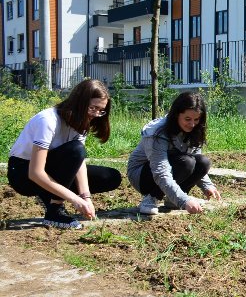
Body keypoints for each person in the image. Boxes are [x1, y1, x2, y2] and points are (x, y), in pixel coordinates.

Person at [6, 79, 122, 229]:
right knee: (76, 149)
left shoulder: (81, 121)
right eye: (93, 108)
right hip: (23, 174)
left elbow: (78, 162)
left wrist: (85, 197)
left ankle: (49, 194)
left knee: (110, 177)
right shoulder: (48, 121)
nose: (96, 114)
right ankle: (55, 210)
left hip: (51, 168)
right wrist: (74, 199)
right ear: (80, 102)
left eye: (101, 110)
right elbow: (35, 173)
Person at [127, 91, 221, 215]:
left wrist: (207, 185)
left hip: (173, 168)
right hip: (142, 175)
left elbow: (196, 159)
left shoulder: (193, 130)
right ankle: (151, 198)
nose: (192, 124)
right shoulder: (157, 132)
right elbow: (160, 171)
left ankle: (173, 200)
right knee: (186, 162)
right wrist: (184, 201)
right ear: (177, 114)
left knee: (203, 162)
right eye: (187, 119)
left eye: (196, 119)